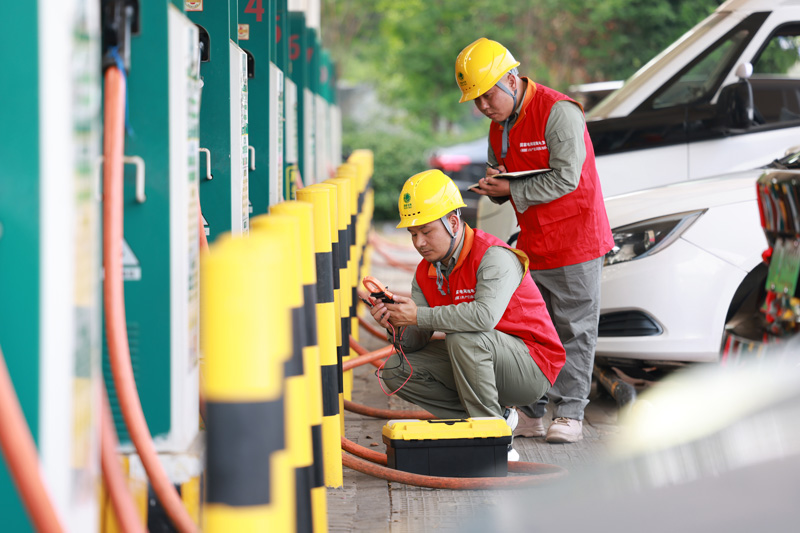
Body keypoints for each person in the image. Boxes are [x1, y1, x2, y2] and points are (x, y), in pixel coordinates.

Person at [454, 37, 614, 443]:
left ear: (511, 79)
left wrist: (510, 190)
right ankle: (531, 412)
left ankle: (571, 414)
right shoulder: (498, 126)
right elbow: (503, 171)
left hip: (577, 237)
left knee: (574, 328)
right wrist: (493, 185)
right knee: (530, 329)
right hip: (532, 241)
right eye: (476, 100)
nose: (484, 106)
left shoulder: (558, 112)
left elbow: (567, 177)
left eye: (488, 95)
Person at [364, 169, 565, 461]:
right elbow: (412, 344)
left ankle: (494, 442)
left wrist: (418, 315)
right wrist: (394, 321)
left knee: (464, 338)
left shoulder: (492, 256)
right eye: (413, 234)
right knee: (396, 370)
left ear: (454, 222)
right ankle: (494, 418)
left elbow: (483, 318)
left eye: (426, 231)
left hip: (532, 365)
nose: (419, 242)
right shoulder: (426, 270)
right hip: (481, 357)